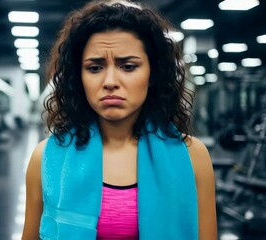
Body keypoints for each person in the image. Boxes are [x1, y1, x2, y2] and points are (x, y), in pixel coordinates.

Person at [22, 0, 217, 239]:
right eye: (95, 68)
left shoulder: (192, 156)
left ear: (153, 73)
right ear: (78, 77)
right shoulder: (47, 158)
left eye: (128, 66)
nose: (110, 81)